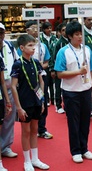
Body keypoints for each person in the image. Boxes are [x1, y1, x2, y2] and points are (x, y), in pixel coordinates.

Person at [54, 21, 92, 163]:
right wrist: (78, 71)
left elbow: (91, 71)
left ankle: (84, 148)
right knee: (73, 122)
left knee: (85, 121)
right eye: (77, 34)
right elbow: (59, 74)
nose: (80, 37)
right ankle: (76, 151)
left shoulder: (87, 49)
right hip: (70, 92)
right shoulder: (63, 51)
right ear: (70, 36)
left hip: (86, 90)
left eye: (81, 34)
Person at [11, 34, 49, 171]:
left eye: (34, 45)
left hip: (37, 101)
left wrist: (42, 99)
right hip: (25, 103)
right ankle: (27, 161)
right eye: (30, 46)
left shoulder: (36, 62)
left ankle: (35, 159)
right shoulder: (18, 64)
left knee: (34, 130)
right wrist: (19, 107)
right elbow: (13, 86)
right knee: (25, 131)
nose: (33, 48)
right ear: (22, 48)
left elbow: (41, 81)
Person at [21, 21, 53, 140]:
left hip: (41, 77)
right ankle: (28, 129)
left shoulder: (43, 45)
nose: (36, 30)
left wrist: (38, 66)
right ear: (27, 30)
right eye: (33, 28)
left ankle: (42, 129)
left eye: (37, 28)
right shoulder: (22, 46)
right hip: (27, 80)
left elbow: (47, 62)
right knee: (29, 104)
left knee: (42, 103)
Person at [0, 23, 19, 159]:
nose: (0, 35)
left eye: (2, 32)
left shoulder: (9, 46)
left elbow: (17, 63)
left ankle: (5, 146)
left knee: (9, 118)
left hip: (9, 87)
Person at [49, 23, 67, 114]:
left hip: (69, 70)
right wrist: (53, 69)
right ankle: (58, 105)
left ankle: (66, 105)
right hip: (59, 69)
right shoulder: (58, 43)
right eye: (63, 30)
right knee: (58, 87)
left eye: (66, 29)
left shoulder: (71, 41)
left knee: (66, 88)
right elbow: (53, 57)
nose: (65, 32)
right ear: (59, 32)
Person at [40, 22, 57, 106]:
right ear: (43, 29)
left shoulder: (54, 38)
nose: (49, 30)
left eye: (50, 28)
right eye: (47, 28)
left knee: (52, 83)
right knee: (45, 83)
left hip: (52, 63)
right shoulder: (40, 39)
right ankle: (46, 99)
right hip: (44, 64)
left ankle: (53, 100)